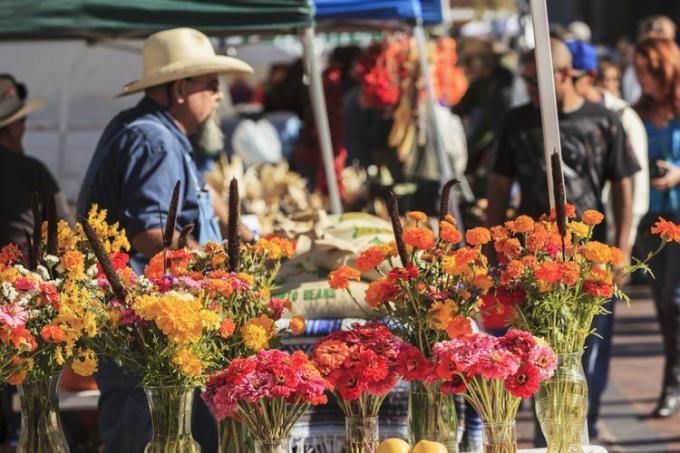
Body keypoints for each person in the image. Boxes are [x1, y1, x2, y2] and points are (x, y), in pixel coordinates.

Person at [77, 27, 253, 452]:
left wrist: (239, 232)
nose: (218, 96)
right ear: (179, 89)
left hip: (151, 331)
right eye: (211, 85)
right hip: (145, 334)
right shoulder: (152, 137)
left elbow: (195, 196)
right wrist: (215, 268)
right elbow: (150, 233)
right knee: (149, 436)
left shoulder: (155, 131)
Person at [567, 39, 649, 438]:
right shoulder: (553, 116)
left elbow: (632, 187)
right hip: (565, 250)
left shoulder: (616, 118)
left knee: (594, 342)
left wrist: (624, 246)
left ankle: (590, 424)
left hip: (603, 246)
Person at [633, 37, 680, 418]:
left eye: (646, 70)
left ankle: (672, 384)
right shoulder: (637, 113)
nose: (641, 78)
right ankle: (673, 381)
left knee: (676, 301)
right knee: (664, 304)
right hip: (652, 220)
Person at [0, 74, 70, 248]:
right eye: (22, 120)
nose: (24, 127)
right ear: (12, 126)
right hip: (17, 272)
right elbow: (64, 232)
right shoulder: (31, 170)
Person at [622, 15, 677, 104]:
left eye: (660, 31)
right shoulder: (638, 67)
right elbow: (634, 100)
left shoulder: (675, 65)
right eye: (651, 30)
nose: (654, 34)